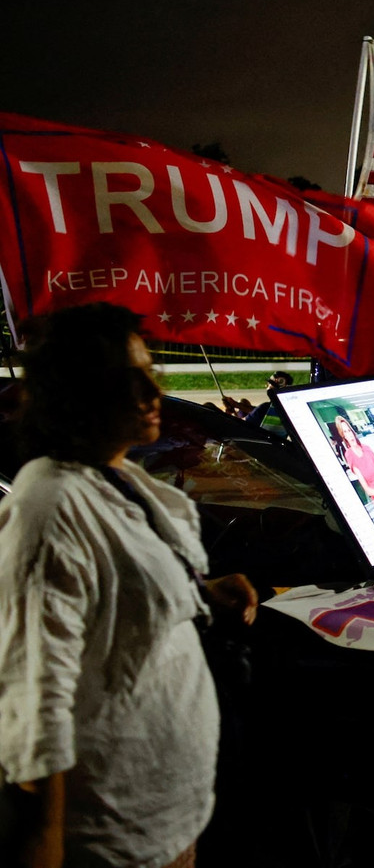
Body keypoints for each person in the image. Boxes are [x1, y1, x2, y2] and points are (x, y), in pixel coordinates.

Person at [0, 302, 257, 868]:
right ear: (73, 393)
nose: (151, 391)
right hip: (112, 839)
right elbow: (36, 700)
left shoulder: (115, 474)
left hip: (166, 818)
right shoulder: (50, 505)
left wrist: (204, 588)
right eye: (125, 378)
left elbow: (118, 588)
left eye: (150, 372)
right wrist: (42, 842)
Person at [335, 414, 374, 501]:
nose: (349, 434)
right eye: (345, 432)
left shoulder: (366, 448)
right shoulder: (349, 455)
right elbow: (367, 490)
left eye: (349, 430)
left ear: (352, 431)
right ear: (343, 435)